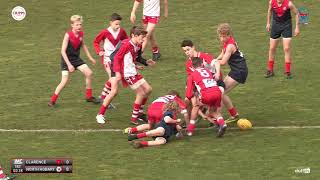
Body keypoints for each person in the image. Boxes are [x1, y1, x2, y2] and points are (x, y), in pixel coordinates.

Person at [96, 26, 156, 124]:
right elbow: (114, 58)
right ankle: (100, 114)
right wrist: (118, 72)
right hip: (114, 65)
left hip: (126, 68)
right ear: (134, 36)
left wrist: (145, 62)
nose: (144, 40)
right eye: (142, 38)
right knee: (114, 91)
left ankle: (139, 113)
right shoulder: (125, 45)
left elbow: (137, 57)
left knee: (148, 90)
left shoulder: (138, 45)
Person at [48, 15, 99, 107]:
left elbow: (83, 45)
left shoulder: (81, 34)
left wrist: (90, 57)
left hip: (76, 59)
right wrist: (69, 65)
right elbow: (62, 51)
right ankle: (52, 101)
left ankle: (89, 97)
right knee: (64, 81)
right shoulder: (68, 35)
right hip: (66, 60)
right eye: (77, 25)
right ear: (72, 25)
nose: (79, 26)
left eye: (80, 24)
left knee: (89, 73)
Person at [181, 39, 223, 126]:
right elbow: (191, 79)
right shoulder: (188, 63)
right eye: (185, 51)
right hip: (202, 85)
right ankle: (189, 119)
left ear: (193, 47)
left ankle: (215, 119)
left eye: (188, 49)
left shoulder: (203, 56)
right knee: (187, 100)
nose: (187, 52)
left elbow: (216, 63)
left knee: (220, 93)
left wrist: (218, 73)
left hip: (214, 83)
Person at [93, 13, 128, 108]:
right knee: (114, 80)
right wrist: (99, 51)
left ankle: (103, 97)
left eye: (119, 24)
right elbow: (96, 42)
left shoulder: (122, 31)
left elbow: (126, 41)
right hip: (107, 59)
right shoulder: (105, 32)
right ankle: (106, 101)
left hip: (117, 60)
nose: (118, 26)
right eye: (116, 24)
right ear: (111, 23)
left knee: (113, 79)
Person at [185, 57, 226, 137]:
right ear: (202, 64)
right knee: (213, 111)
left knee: (196, 105)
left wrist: (194, 96)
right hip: (217, 92)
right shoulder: (208, 71)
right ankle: (222, 123)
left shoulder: (192, 75)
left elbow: (188, 94)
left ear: (193, 67)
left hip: (206, 94)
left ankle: (190, 130)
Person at [215, 23, 248, 121]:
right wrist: (214, 59)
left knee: (220, 92)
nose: (222, 39)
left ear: (229, 35)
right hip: (236, 70)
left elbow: (224, 62)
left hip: (239, 71)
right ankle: (234, 114)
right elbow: (222, 53)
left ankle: (218, 118)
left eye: (224, 36)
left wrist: (215, 62)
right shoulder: (227, 42)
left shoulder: (230, 45)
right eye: (220, 36)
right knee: (221, 90)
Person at [123, 90, 189, 134]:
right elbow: (185, 113)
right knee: (172, 127)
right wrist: (188, 125)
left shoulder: (162, 97)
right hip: (160, 111)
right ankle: (178, 134)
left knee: (150, 126)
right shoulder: (176, 98)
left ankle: (131, 130)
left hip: (150, 109)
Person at [265, 0, 300, 79]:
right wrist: (268, 23)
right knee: (272, 48)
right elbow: (269, 10)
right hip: (275, 26)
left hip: (286, 26)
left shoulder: (289, 4)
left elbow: (297, 13)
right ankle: (270, 70)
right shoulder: (271, 2)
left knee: (286, 48)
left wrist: (297, 27)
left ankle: (288, 72)